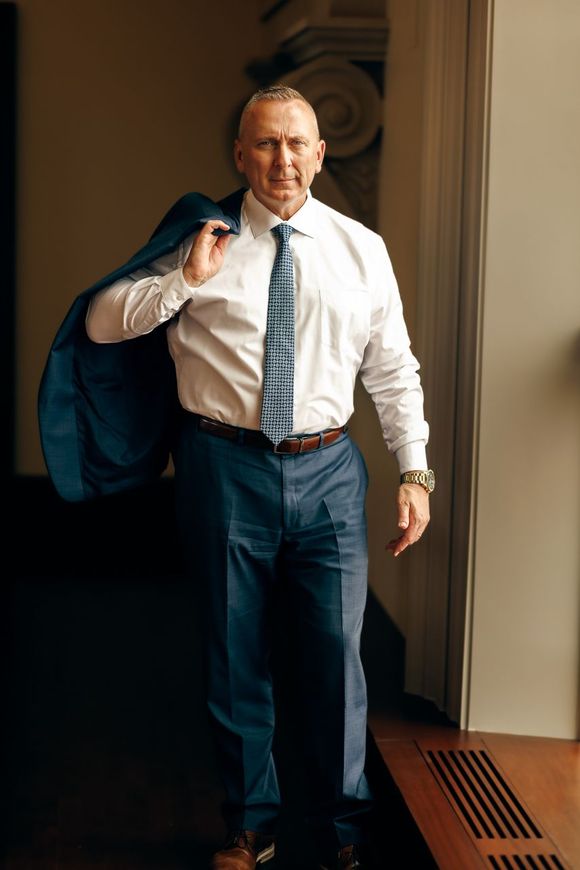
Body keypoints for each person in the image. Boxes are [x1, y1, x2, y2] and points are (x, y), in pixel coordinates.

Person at [84, 85, 433, 870]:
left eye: (297, 143)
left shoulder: (360, 249)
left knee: (337, 659)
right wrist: (186, 282)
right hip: (223, 466)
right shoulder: (198, 238)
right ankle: (253, 828)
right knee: (236, 653)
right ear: (240, 156)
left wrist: (415, 471)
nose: (283, 160)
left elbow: (393, 371)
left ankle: (343, 830)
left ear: (321, 152)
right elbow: (105, 321)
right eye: (265, 145)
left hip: (330, 471)